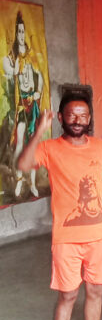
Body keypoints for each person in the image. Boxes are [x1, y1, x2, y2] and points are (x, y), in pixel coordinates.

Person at [17, 93, 102, 320]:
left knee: (97, 292)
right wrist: (40, 128)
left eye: (84, 115)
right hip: (67, 238)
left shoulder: (100, 147)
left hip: (100, 234)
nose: (79, 120)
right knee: (68, 295)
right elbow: (24, 165)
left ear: (90, 119)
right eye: (72, 115)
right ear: (61, 118)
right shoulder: (50, 148)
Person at [3, 11, 48, 198]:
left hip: (33, 101)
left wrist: (37, 91)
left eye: (23, 32)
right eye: (18, 32)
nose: (21, 35)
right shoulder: (12, 58)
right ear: (15, 35)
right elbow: (11, 73)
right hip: (21, 103)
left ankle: (31, 180)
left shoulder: (30, 57)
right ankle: (19, 177)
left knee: (33, 141)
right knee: (20, 140)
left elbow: (40, 78)